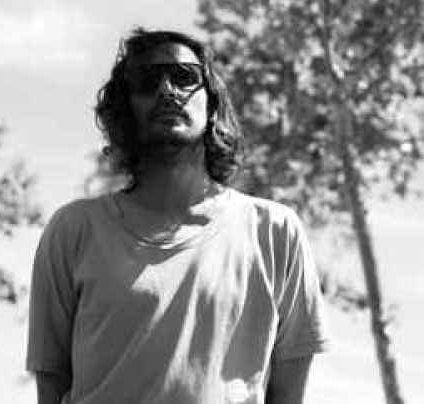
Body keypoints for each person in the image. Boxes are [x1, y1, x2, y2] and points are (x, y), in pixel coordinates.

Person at [26, 28, 329, 404]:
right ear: (126, 108)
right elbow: (51, 384)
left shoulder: (274, 232)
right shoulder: (74, 230)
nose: (167, 90)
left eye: (184, 76)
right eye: (146, 81)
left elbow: (288, 392)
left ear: (212, 101)